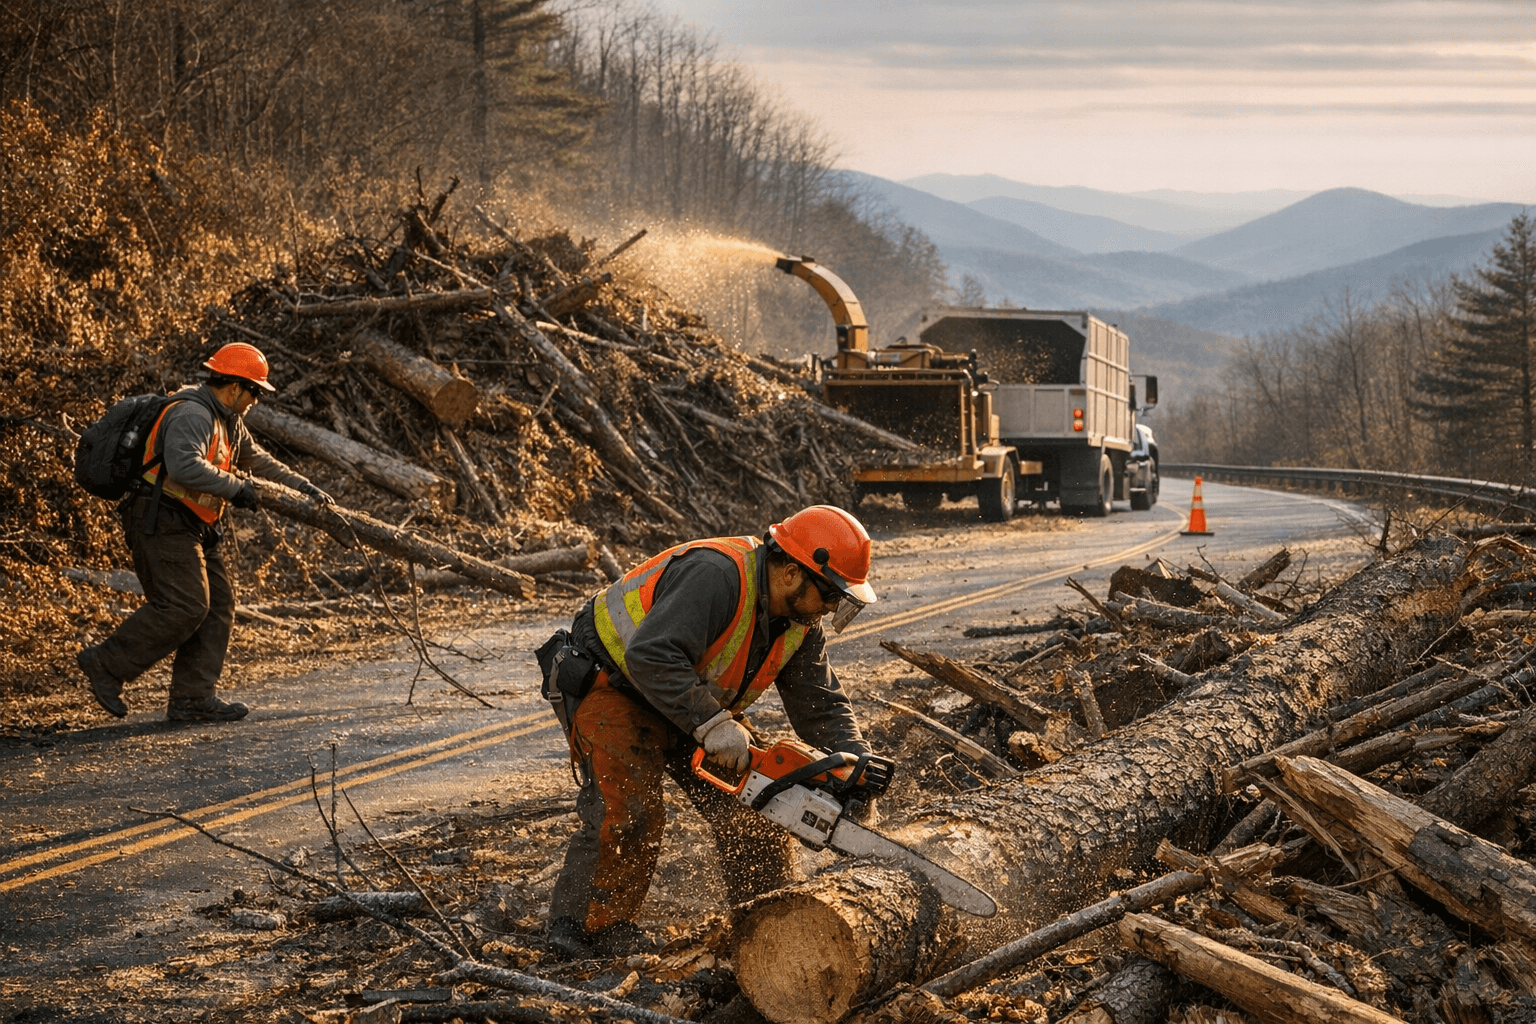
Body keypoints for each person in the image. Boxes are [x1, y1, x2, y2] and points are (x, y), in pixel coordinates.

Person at [539, 504, 889, 960]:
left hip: (690, 700)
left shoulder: (801, 623)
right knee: (629, 808)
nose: (829, 608)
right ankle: (584, 931)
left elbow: (820, 704)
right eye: (829, 595)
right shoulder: (716, 576)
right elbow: (651, 655)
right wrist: (714, 723)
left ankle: (768, 917)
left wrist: (853, 763)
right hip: (615, 684)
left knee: (762, 802)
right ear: (789, 572)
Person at [76, 342, 333, 723]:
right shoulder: (193, 414)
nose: (256, 400)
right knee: (184, 605)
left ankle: (192, 699)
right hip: (160, 519)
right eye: (256, 392)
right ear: (234, 387)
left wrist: (303, 487)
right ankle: (106, 664)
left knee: (217, 605)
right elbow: (183, 467)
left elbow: (257, 459)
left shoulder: (227, 418)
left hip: (194, 523)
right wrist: (237, 489)